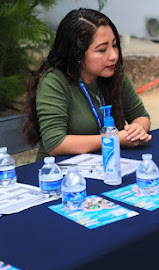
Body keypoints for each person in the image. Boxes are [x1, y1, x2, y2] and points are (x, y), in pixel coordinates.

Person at [22, 8, 152, 161]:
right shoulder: (54, 81)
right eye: (102, 49)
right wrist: (112, 139)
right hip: (60, 172)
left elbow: (141, 116)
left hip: (106, 164)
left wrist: (137, 129)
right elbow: (55, 143)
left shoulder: (115, 75)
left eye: (115, 45)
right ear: (77, 54)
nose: (113, 56)